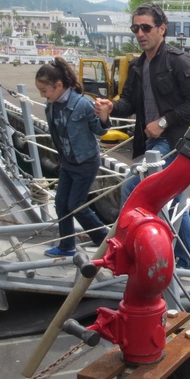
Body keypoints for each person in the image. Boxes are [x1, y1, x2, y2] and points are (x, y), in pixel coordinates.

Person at [94, 2, 190, 269]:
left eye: (146, 27)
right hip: (156, 144)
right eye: (136, 28)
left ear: (162, 29)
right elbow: (130, 103)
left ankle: (127, 249)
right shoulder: (137, 65)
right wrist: (111, 107)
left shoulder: (179, 61)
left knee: (135, 186)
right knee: (173, 200)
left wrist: (164, 122)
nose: (140, 33)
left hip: (177, 143)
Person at [36, 57, 109, 257]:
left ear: (59, 85)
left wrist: (103, 116)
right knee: (61, 204)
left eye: (44, 91)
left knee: (76, 205)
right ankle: (67, 245)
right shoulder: (50, 106)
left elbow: (99, 130)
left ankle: (104, 240)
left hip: (85, 162)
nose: (43, 95)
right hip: (68, 162)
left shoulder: (82, 104)